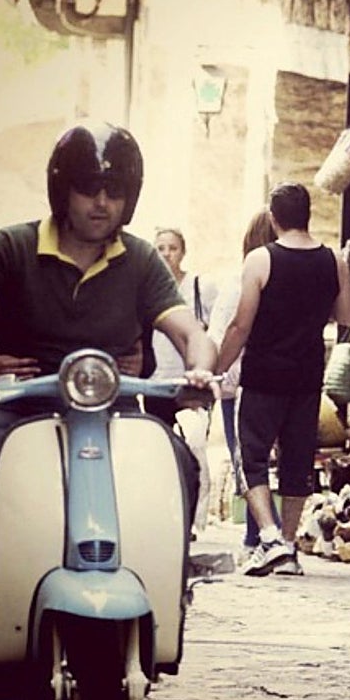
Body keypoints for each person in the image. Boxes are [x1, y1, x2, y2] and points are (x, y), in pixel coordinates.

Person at [0, 121, 216, 651]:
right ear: (60, 189)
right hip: (22, 405)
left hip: (116, 408)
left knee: (181, 464)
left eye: (114, 191)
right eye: (87, 188)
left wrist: (200, 370)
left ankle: (168, 583)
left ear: (130, 197)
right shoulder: (14, 245)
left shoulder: (140, 259)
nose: (101, 202)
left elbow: (191, 332)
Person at [215, 182, 350, 577]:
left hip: (263, 375)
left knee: (253, 457)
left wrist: (218, 368)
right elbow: (346, 317)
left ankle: (272, 539)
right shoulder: (335, 261)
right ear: (307, 214)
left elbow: (240, 325)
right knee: (297, 461)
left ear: (274, 218)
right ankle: (289, 548)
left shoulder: (260, 260)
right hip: (308, 375)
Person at [206, 208, 280, 556]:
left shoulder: (242, 278)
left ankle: (260, 534)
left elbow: (224, 331)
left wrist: (214, 371)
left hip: (238, 382)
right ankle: (269, 530)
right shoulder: (284, 278)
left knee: (247, 458)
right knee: (266, 457)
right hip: (278, 378)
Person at [150, 227, 217, 537]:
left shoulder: (200, 288)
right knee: (159, 452)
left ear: (183, 251)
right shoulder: (148, 289)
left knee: (194, 450)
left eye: (172, 248)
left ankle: (189, 521)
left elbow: (215, 331)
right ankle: (164, 517)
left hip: (190, 383)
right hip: (155, 383)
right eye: (160, 248)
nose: (166, 254)